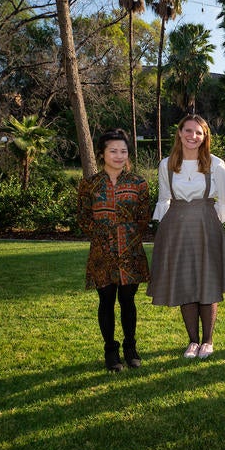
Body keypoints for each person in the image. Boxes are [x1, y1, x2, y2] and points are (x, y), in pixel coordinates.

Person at [147, 115, 225, 359]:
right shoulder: (167, 164)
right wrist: (166, 229)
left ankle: (208, 341)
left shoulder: (216, 164)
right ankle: (192, 341)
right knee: (186, 283)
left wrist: (216, 225)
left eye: (198, 132)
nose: (193, 136)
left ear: (205, 136)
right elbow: (164, 197)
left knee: (207, 281)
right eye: (188, 131)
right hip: (176, 227)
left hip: (206, 225)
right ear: (179, 133)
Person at [77, 128, 150, 372]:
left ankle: (131, 348)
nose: (119, 155)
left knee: (128, 302)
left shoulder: (139, 183)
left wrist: (127, 237)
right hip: (102, 254)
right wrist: (102, 237)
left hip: (130, 253)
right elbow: (84, 217)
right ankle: (111, 351)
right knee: (106, 302)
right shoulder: (89, 184)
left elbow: (143, 218)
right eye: (113, 151)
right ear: (102, 154)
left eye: (123, 151)